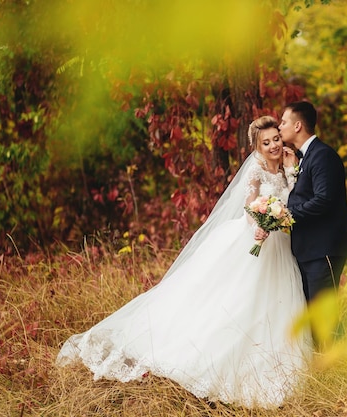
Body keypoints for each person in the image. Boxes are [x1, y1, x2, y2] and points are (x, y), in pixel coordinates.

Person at [56, 116, 313, 409]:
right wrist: (261, 222)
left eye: (276, 139)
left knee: (275, 303)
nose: (273, 146)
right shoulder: (255, 171)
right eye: (265, 142)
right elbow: (249, 206)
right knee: (234, 299)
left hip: (279, 245)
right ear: (256, 146)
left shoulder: (287, 167)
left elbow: (292, 199)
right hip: (252, 240)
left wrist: (290, 178)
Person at [278, 101, 347, 303]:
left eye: (283, 121)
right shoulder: (302, 158)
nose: (280, 126)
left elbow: (323, 200)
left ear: (297, 126)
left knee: (322, 319)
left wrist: (287, 216)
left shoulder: (323, 155)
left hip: (323, 250)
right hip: (309, 249)